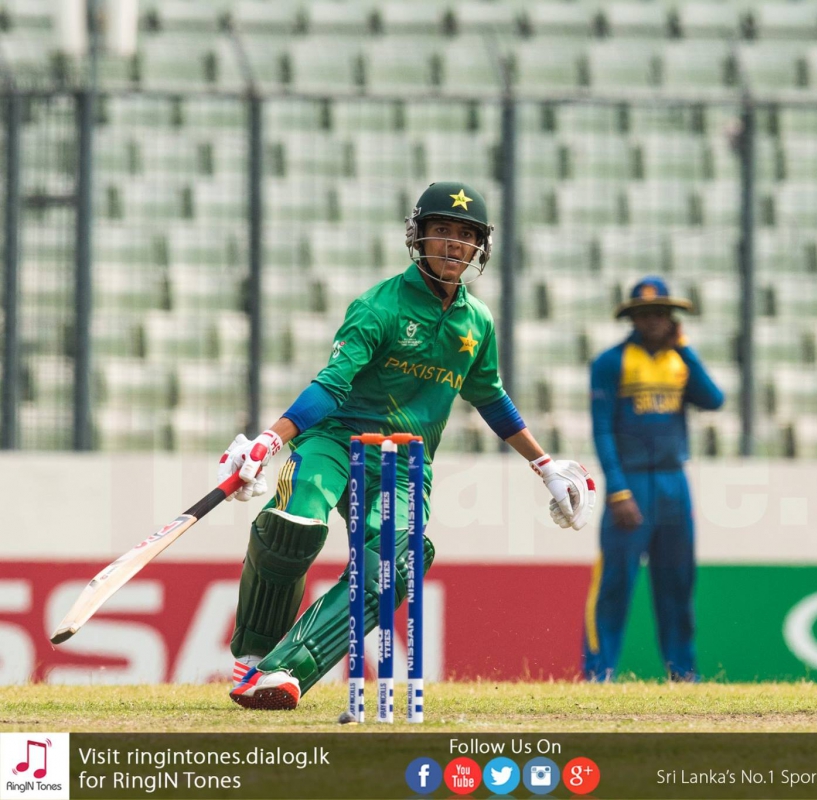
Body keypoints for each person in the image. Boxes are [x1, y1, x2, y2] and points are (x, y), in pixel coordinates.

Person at [218, 181, 596, 710]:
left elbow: (489, 396)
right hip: (336, 442)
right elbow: (332, 384)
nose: (454, 244)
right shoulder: (378, 307)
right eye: (441, 230)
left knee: (395, 563)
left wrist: (545, 465)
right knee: (294, 527)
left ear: (480, 246)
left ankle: (284, 671)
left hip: (403, 465)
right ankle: (254, 653)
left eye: (466, 235)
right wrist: (269, 440)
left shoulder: (478, 322)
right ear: (417, 236)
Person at [583, 277, 724, 682]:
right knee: (615, 583)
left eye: (661, 313)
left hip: (673, 482)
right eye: (644, 314)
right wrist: (617, 489)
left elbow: (713, 400)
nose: (653, 321)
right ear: (632, 318)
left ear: (672, 318)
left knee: (677, 584)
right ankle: (598, 674)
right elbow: (602, 430)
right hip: (631, 484)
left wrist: (685, 348)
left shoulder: (680, 361)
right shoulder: (611, 362)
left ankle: (683, 674)